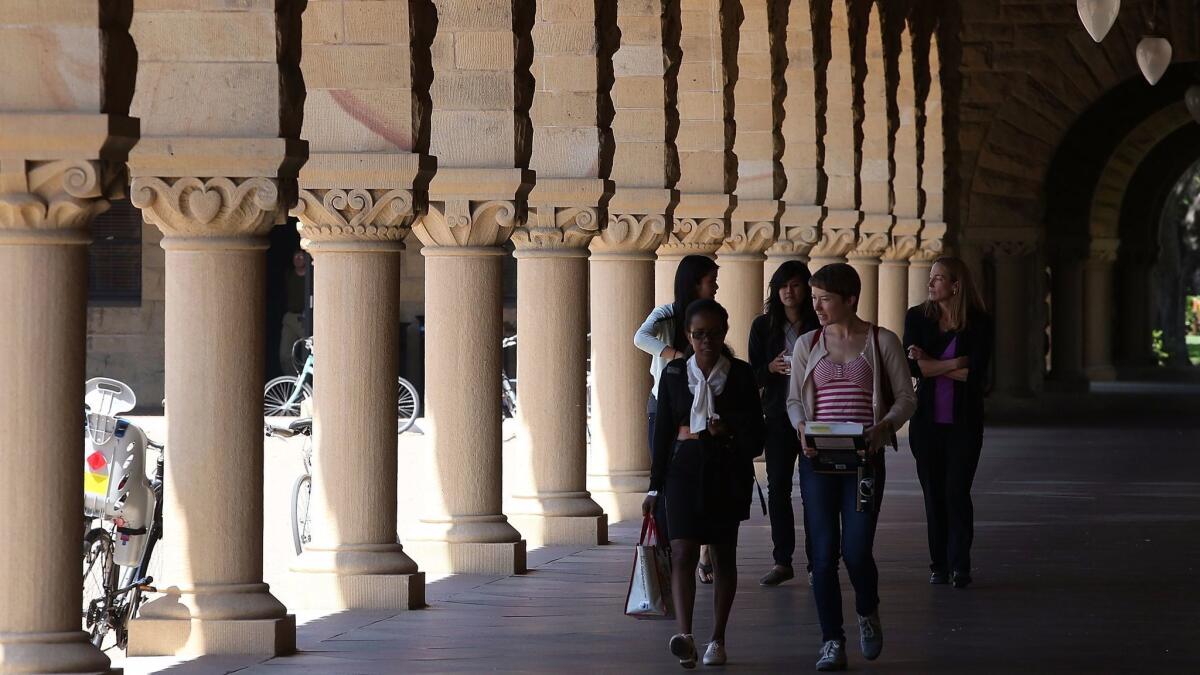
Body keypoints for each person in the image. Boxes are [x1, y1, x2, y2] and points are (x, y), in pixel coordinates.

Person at [786, 263, 916, 672]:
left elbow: (906, 398)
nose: (817, 307)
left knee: (856, 551)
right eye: (814, 299)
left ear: (850, 300)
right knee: (822, 557)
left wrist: (885, 427)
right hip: (817, 461)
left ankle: (866, 610)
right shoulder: (808, 343)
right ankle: (832, 640)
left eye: (825, 299)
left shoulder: (881, 341)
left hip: (863, 461)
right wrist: (801, 426)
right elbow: (793, 401)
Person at [642, 299, 765, 669]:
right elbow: (662, 433)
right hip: (684, 470)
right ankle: (686, 635)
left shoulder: (741, 375)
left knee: (724, 554)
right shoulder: (676, 373)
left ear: (724, 333)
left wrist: (726, 430)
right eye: (698, 334)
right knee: (681, 551)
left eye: (713, 333)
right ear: (688, 336)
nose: (706, 341)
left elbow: (756, 437)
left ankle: (718, 638)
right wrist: (653, 487)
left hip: (726, 470)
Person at [902, 257, 993, 589]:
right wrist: (954, 363)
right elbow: (913, 369)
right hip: (926, 424)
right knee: (933, 495)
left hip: (964, 423)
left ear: (955, 285)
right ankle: (938, 564)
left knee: (956, 492)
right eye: (931, 277)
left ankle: (960, 565)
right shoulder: (917, 317)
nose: (931, 283)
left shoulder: (979, 322)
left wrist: (930, 362)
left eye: (938, 278)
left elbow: (975, 374)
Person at [635, 254, 719, 581]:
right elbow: (640, 337)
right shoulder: (668, 313)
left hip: (701, 409)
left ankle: (703, 551)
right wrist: (676, 355)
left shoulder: (711, 317)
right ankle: (669, 558)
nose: (716, 285)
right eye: (711, 280)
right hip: (665, 408)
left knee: (703, 480)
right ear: (695, 282)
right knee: (666, 481)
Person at [749, 261, 820, 587]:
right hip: (777, 415)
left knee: (813, 490)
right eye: (782, 286)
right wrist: (771, 367)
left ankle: (816, 561)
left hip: (815, 416)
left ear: (806, 288)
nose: (788, 292)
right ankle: (782, 560)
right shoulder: (764, 326)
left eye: (794, 285)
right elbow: (751, 375)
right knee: (778, 487)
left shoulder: (819, 323)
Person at [279, 250, 309, 375]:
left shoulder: (311, 276)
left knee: (307, 354)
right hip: (290, 317)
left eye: (301, 256)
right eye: (295, 256)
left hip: (305, 318)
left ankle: (309, 384)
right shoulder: (289, 275)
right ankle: (293, 382)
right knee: (285, 355)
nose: (298, 259)